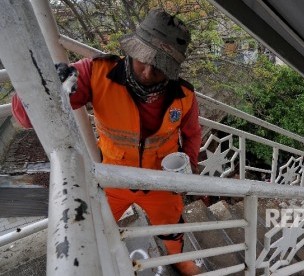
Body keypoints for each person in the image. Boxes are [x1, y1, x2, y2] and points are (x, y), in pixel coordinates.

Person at [12, 9, 201, 275]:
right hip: (112, 177)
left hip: (163, 182)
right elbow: (26, 116)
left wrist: (191, 168)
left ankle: (177, 258)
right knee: (97, 227)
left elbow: (192, 134)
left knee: (171, 224)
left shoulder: (184, 96)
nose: (147, 72)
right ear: (133, 50)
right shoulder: (96, 74)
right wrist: (45, 84)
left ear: (171, 69)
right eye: (143, 58)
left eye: (159, 65)